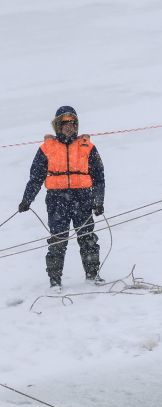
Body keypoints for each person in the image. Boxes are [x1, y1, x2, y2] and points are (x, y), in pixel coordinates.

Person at [18, 106, 106, 291]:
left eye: (73, 123)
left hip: (83, 199)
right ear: (58, 125)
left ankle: (92, 276)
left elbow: (99, 177)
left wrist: (98, 201)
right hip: (57, 200)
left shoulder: (87, 147)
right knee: (58, 241)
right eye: (65, 123)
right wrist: (27, 200)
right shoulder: (47, 148)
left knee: (87, 238)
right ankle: (55, 282)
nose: (69, 126)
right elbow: (35, 178)